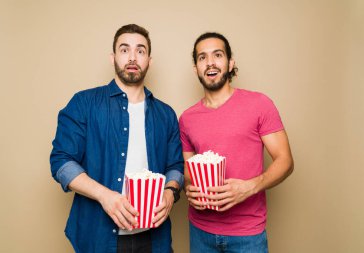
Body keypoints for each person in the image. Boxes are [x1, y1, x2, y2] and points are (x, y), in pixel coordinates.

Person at [50, 24, 183, 253]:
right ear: (113, 58)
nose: (132, 57)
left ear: (149, 60)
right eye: (124, 50)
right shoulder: (83, 103)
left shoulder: (166, 114)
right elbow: (61, 162)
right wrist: (105, 196)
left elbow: (175, 166)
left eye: (140, 51)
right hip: (98, 238)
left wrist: (170, 192)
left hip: (154, 240)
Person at [179, 32, 294, 253]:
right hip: (200, 230)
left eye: (218, 55)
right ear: (196, 68)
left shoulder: (260, 104)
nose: (210, 62)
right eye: (202, 57)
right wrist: (188, 187)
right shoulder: (186, 119)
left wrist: (249, 187)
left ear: (230, 63)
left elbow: (286, 161)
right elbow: (188, 168)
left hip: (247, 233)